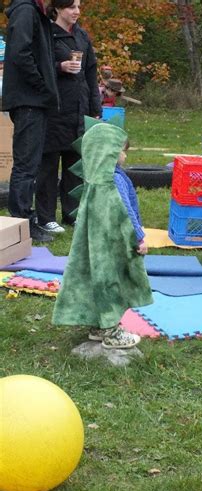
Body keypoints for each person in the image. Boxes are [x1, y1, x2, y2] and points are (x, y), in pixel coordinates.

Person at [52, 121, 153, 349]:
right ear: (107, 152)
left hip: (96, 246)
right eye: (121, 151)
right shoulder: (111, 181)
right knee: (112, 281)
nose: (125, 156)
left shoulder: (94, 181)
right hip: (113, 245)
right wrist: (138, 238)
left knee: (98, 279)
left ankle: (99, 326)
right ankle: (111, 331)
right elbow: (125, 213)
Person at [35, 0, 102, 234]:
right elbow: (36, 67)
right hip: (54, 110)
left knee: (75, 166)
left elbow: (91, 72)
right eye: (72, 7)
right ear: (58, 9)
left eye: (79, 7)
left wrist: (95, 107)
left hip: (79, 109)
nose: (77, 12)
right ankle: (45, 217)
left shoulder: (81, 35)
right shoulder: (46, 34)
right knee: (48, 165)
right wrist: (59, 66)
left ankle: (72, 214)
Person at [2, 0, 59, 242]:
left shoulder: (37, 12)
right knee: (26, 165)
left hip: (35, 99)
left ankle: (26, 219)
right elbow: (19, 53)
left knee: (31, 163)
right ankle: (21, 221)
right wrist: (41, 85)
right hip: (29, 99)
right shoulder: (25, 11)